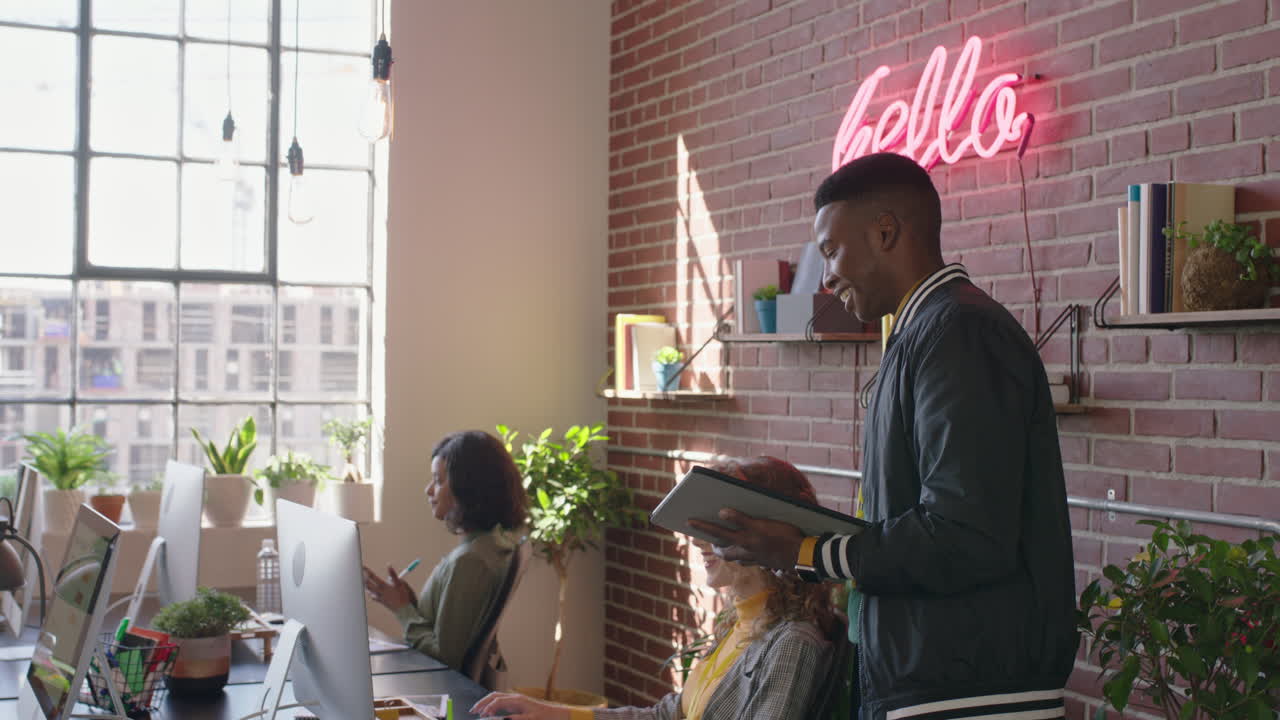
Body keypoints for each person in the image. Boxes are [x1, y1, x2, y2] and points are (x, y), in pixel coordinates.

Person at [690, 152, 1078, 720]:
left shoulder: (959, 333)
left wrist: (802, 550)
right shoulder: (926, 332)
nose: (825, 277)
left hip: (969, 695)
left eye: (831, 250)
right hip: (939, 685)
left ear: (886, 231)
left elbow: (962, 534)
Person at [472, 456, 836, 720]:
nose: (698, 543)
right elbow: (669, 715)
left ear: (767, 536)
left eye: (719, 530)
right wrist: (555, 714)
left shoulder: (792, 643)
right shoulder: (737, 623)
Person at [363, 430, 527, 676]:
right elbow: (456, 633)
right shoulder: (489, 545)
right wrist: (409, 603)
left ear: (468, 489)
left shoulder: (471, 561)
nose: (429, 490)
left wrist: (403, 610)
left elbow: (447, 658)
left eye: (438, 481)